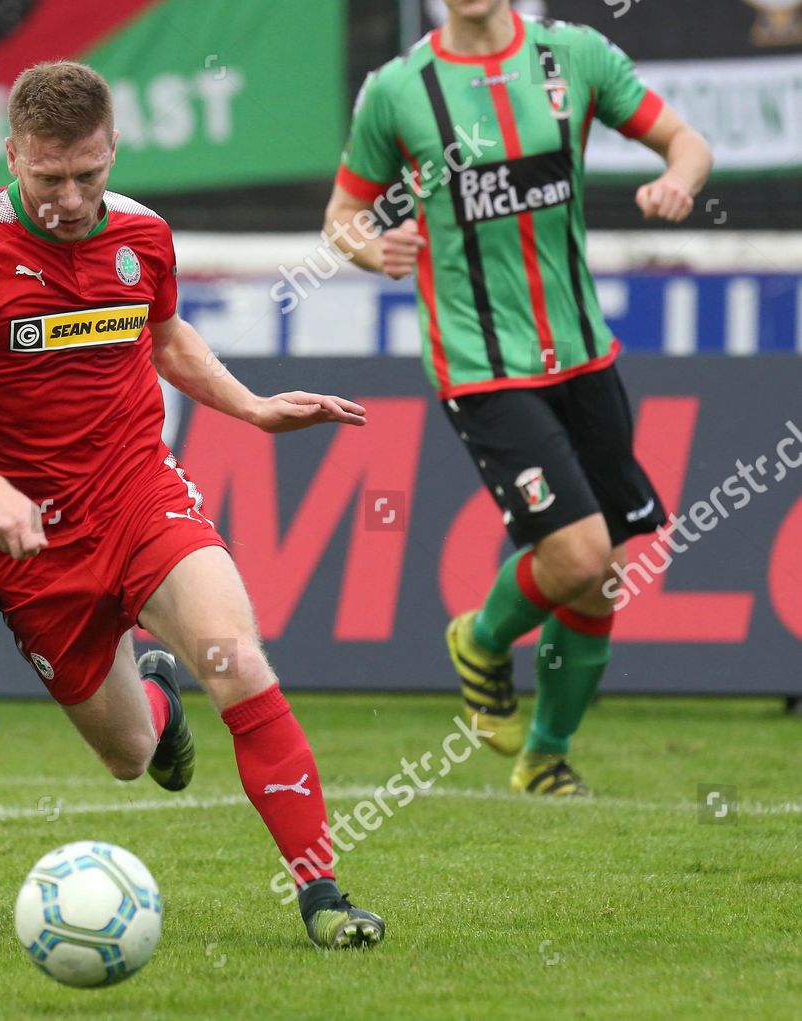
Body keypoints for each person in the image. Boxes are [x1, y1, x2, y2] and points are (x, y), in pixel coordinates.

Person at [0, 61, 386, 950]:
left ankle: (325, 897)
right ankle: (156, 694)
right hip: (34, 545)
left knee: (236, 659)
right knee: (128, 759)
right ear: (12, 154)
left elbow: (163, 335)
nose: (71, 198)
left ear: (113, 147)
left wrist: (251, 405)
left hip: (139, 496)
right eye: (48, 178)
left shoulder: (145, 236)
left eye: (90, 173)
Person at [323, 0, 713, 795]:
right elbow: (340, 216)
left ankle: (545, 753)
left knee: (601, 576)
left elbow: (686, 140)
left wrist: (679, 179)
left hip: (583, 356)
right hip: (481, 368)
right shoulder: (399, 90)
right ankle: (481, 638)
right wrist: (373, 244)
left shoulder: (574, 57)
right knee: (579, 552)